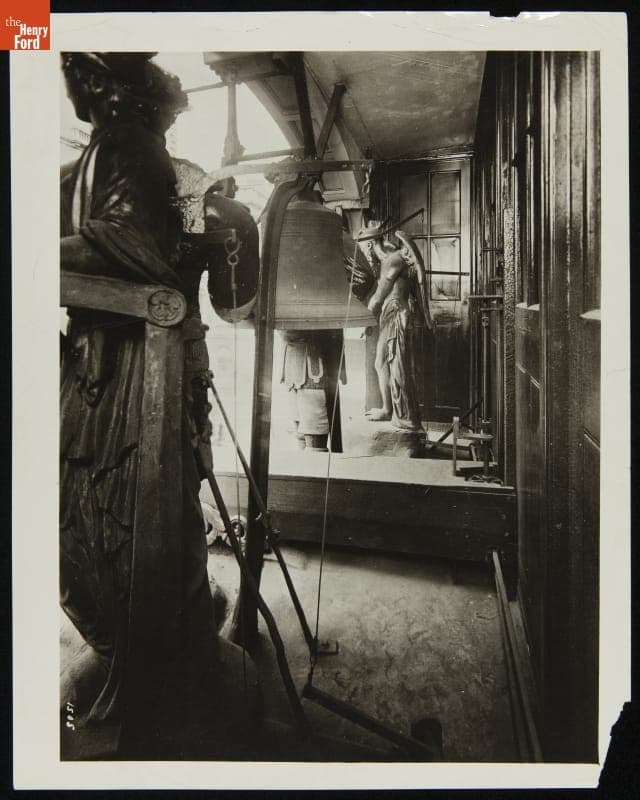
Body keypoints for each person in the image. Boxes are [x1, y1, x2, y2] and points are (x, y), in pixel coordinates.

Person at [59, 52, 259, 746]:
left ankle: (165, 646)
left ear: (107, 85)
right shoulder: (102, 154)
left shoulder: (129, 149)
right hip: (108, 363)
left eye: (82, 72)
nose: (69, 79)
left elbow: (126, 246)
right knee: (106, 514)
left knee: (149, 500)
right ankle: (152, 640)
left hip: (146, 366)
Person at [359, 223, 433, 431]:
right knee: (383, 362)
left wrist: (363, 319)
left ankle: (404, 417)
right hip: (392, 315)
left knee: (394, 365)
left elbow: (378, 297)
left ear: (372, 243)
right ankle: (389, 410)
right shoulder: (393, 256)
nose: (364, 253)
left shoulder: (392, 261)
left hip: (397, 316)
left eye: (364, 248)